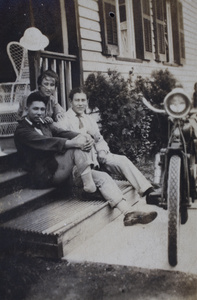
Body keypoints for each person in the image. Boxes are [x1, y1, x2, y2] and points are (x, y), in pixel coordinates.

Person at [14, 92, 157, 226]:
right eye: (35, 109)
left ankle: (128, 213)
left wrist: (83, 137)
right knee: (76, 147)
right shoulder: (22, 130)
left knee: (103, 176)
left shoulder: (44, 123)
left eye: (42, 109)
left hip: (60, 168)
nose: (39, 112)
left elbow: (62, 132)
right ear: (27, 108)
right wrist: (74, 142)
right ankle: (88, 187)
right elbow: (46, 143)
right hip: (43, 175)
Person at [55, 86, 154, 198]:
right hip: (82, 162)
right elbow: (63, 142)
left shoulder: (89, 119)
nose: (80, 104)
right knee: (102, 177)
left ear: (87, 102)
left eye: (83, 100)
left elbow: (99, 139)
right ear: (70, 101)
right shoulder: (64, 120)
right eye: (77, 100)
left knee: (122, 160)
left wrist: (102, 151)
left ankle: (147, 191)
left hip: (97, 156)